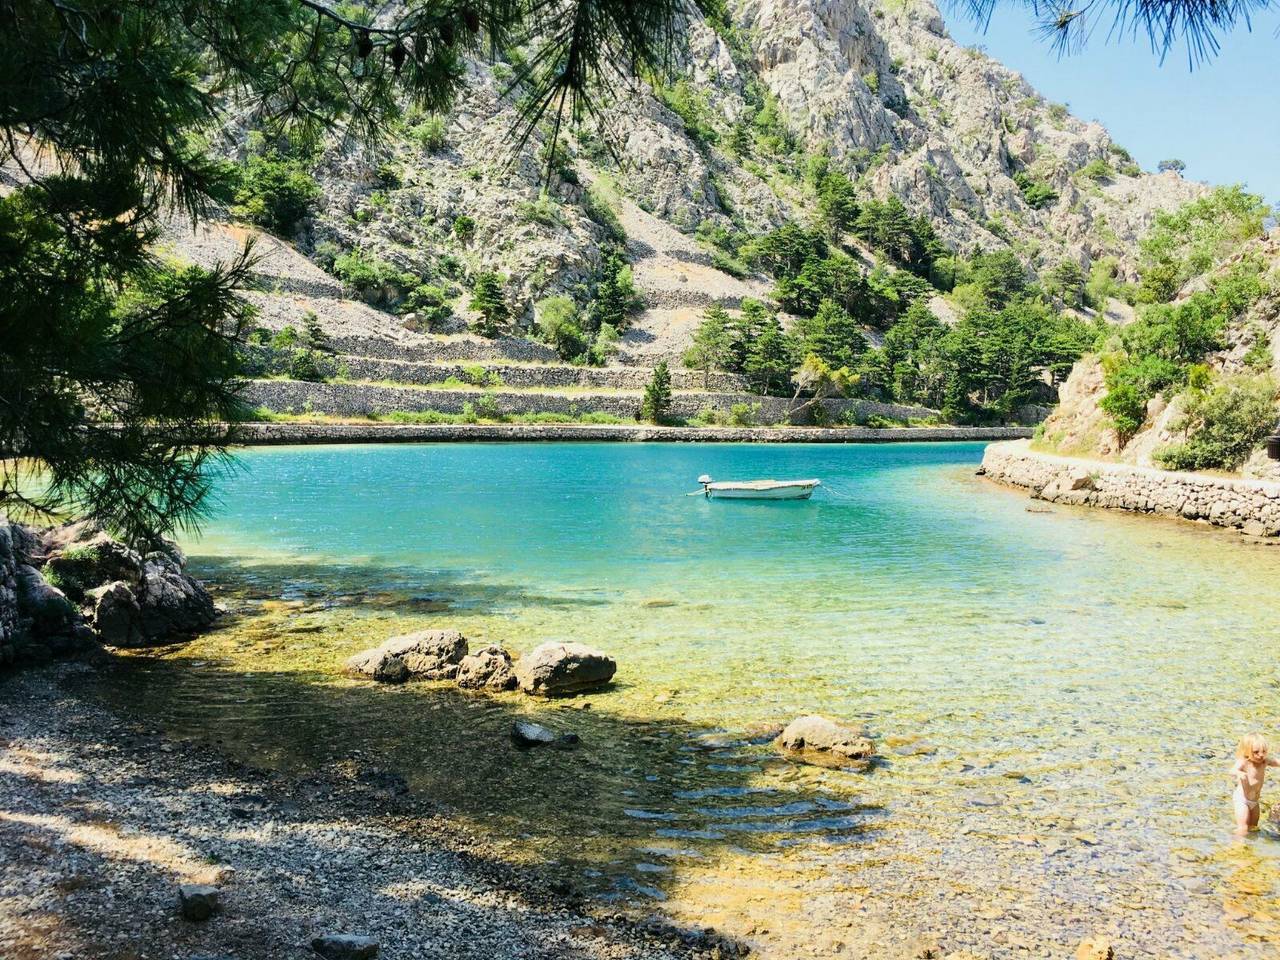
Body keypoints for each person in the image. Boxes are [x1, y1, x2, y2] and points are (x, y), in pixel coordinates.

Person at [1232, 732, 1279, 836]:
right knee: (1243, 827)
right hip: (1242, 800)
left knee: (1254, 827)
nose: (1260, 755)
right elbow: (1232, 770)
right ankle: (1238, 846)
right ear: (1247, 752)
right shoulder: (1244, 762)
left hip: (1254, 801)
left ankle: (1251, 847)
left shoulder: (1265, 761)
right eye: (1256, 752)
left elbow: (1277, 762)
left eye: (1264, 751)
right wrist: (1238, 773)